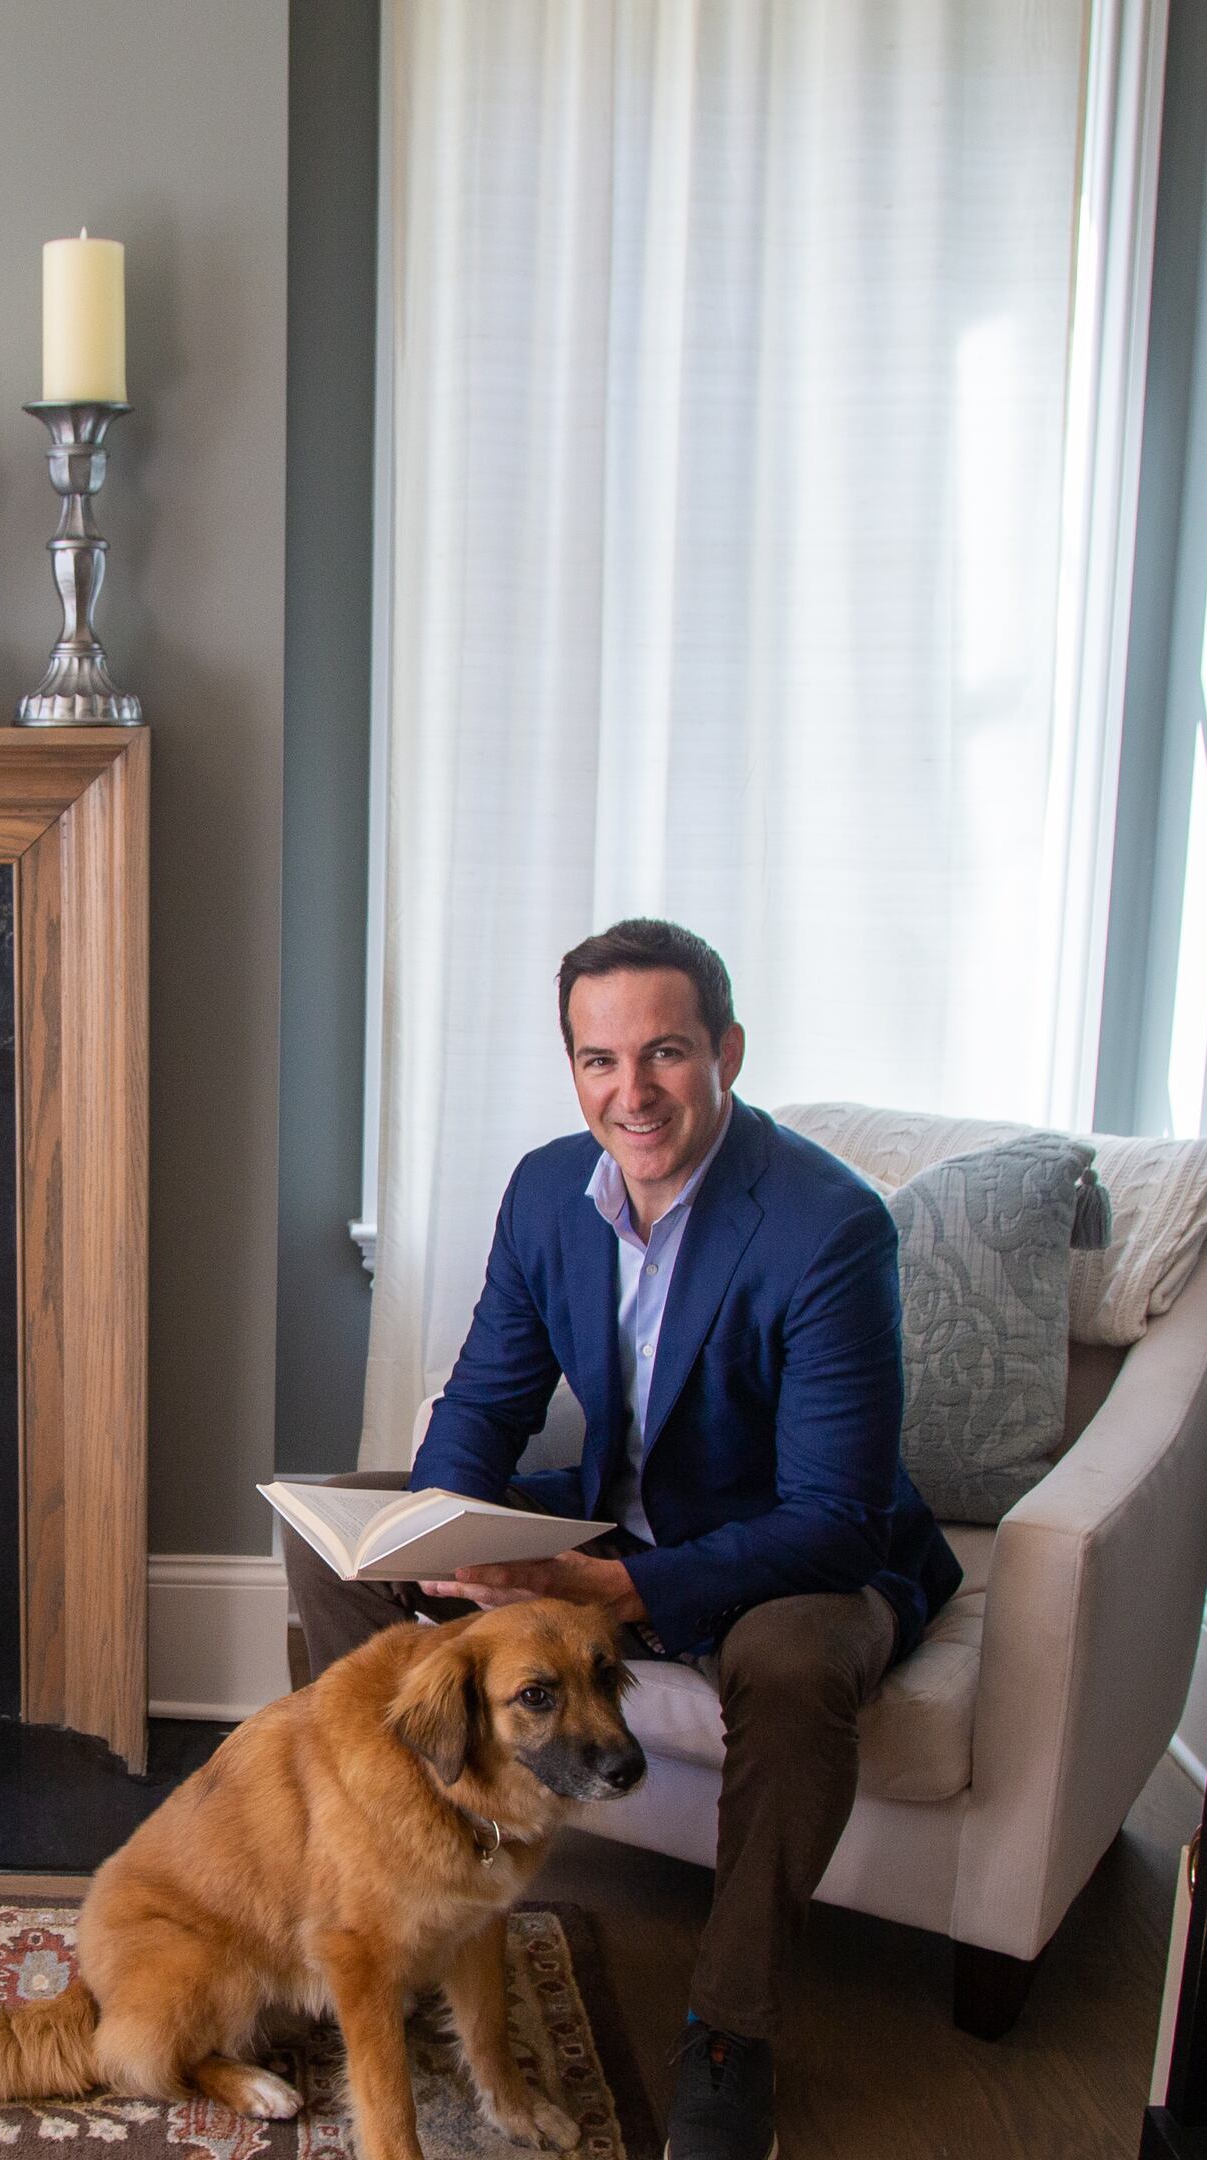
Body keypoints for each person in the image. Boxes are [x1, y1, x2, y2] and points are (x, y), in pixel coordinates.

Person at [285, 918, 960, 2160]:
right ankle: (408, 1881)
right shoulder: (551, 1188)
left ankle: (728, 2033)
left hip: (792, 1550)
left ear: (727, 1054)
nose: (631, 1093)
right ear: (573, 1068)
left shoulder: (827, 1224)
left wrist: (621, 1586)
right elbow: (484, 1402)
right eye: (600, 1060)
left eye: (666, 1054)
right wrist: (445, 1534)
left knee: (798, 1668)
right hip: (625, 1510)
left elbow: (837, 1515)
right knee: (349, 1535)